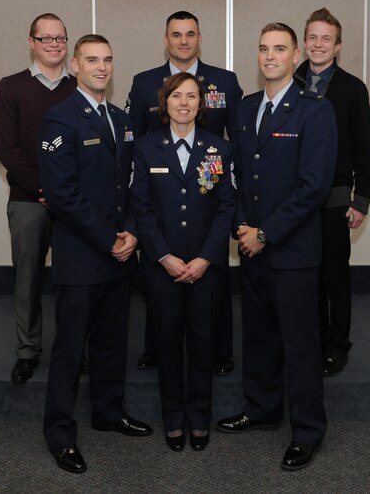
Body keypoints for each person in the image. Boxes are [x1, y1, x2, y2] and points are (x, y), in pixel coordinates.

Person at [216, 23, 337, 472]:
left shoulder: (314, 111)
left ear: (296, 55)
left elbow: (314, 187)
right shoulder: (245, 109)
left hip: (292, 251)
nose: (270, 56)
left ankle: (306, 431)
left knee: (300, 345)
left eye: (280, 49)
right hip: (252, 249)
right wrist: (243, 226)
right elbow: (238, 176)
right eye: (264, 48)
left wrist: (265, 233)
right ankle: (262, 410)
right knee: (260, 335)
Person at [39, 34, 152, 474]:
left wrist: (133, 236)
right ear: (74, 65)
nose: (101, 67)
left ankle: (109, 413)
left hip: (120, 253)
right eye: (92, 60)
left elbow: (133, 185)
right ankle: (60, 434)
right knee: (70, 350)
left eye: (107, 59)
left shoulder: (122, 119)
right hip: (83, 255)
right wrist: (110, 240)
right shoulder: (59, 119)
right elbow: (63, 196)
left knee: (111, 343)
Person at [126, 11, 242, 375]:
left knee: (213, 280)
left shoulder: (223, 81)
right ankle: (155, 348)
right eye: (176, 34)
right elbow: (134, 140)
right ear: (165, 39)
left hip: (209, 183)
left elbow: (236, 136)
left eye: (190, 34)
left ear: (200, 38)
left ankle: (220, 350)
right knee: (158, 282)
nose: (183, 41)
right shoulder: (144, 83)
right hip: (160, 189)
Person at [129, 72, 237, 453]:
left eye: (192, 96)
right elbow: (140, 209)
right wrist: (164, 256)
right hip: (162, 269)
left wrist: (207, 257)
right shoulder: (145, 148)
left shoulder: (218, 150)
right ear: (165, 102)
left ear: (201, 104)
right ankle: (173, 420)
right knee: (169, 345)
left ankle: (200, 418)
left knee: (204, 346)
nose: (185, 103)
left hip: (206, 270)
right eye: (177, 96)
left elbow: (226, 208)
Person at [0, 13, 76, 384]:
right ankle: (27, 352)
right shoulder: (10, 87)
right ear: (31, 42)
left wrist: (64, 193)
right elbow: (7, 149)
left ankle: (77, 349)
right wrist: (45, 189)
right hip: (28, 200)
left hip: (74, 203)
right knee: (28, 279)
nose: (54, 44)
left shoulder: (81, 88)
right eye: (46, 39)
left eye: (60, 38)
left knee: (76, 280)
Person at [295, 8, 370, 376]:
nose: (318, 44)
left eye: (326, 38)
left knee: (334, 277)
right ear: (302, 43)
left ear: (337, 46)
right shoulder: (287, 83)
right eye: (312, 37)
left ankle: (337, 346)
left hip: (335, 198)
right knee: (302, 276)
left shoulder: (353, 89)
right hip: (294, 201)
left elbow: (363, 150)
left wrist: (360, 202)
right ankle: (308, 341)